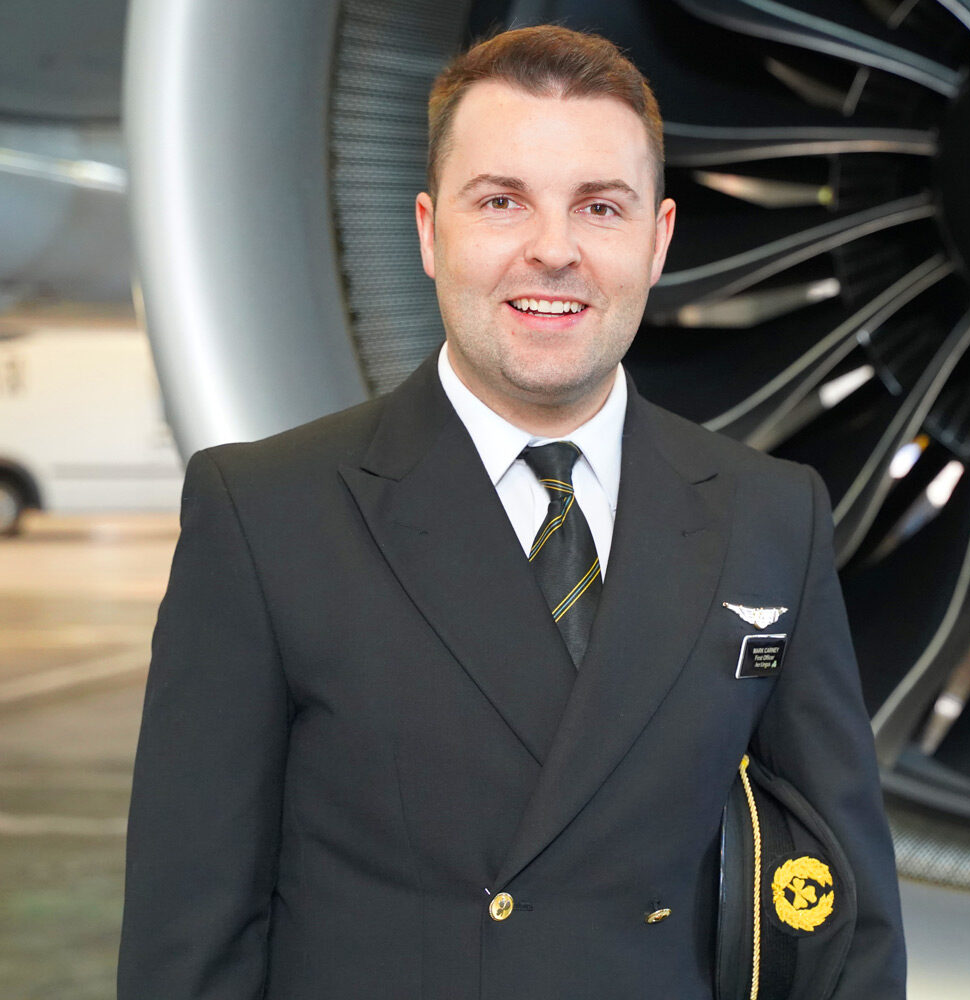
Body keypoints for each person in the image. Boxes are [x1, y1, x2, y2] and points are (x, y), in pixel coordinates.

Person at [118, 24, 905, 999]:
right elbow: (188, 938)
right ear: (428, 231)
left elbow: (845, 911)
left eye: (599, 208)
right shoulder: (264, 515)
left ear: (657, 241)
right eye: (502, 202)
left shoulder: (771, 519)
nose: (553, 250)